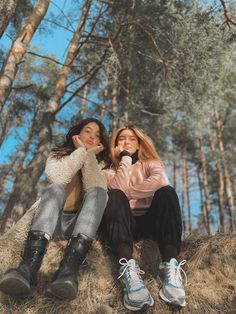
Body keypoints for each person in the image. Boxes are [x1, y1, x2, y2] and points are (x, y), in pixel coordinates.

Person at [0, 118, 110, 300]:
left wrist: (89, 156)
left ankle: (68, 271)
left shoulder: (102, 167)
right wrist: (81, 151)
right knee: (55, 188)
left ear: (101, 142)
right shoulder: (57, 155)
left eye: (97, 135)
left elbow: (96, 191)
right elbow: (59, 177)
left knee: (100, 192)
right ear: (77, 134)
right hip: (51, 222)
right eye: (88, 131)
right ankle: (28, 268)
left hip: (79, 227)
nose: (92, 136)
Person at [100, 125, 187, 312]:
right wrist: (124, 159)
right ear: (115, 145)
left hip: (150, 222)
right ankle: (129, 272)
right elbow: (117, 190)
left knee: (167, 192)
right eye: (122, 138)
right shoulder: (109, 170)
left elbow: (160, 180)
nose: (127, 142)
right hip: (124, 224)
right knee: (114, 195)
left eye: (132, 139)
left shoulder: (151, 162)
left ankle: (170, 267)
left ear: (139, 145)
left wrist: (129, 194)